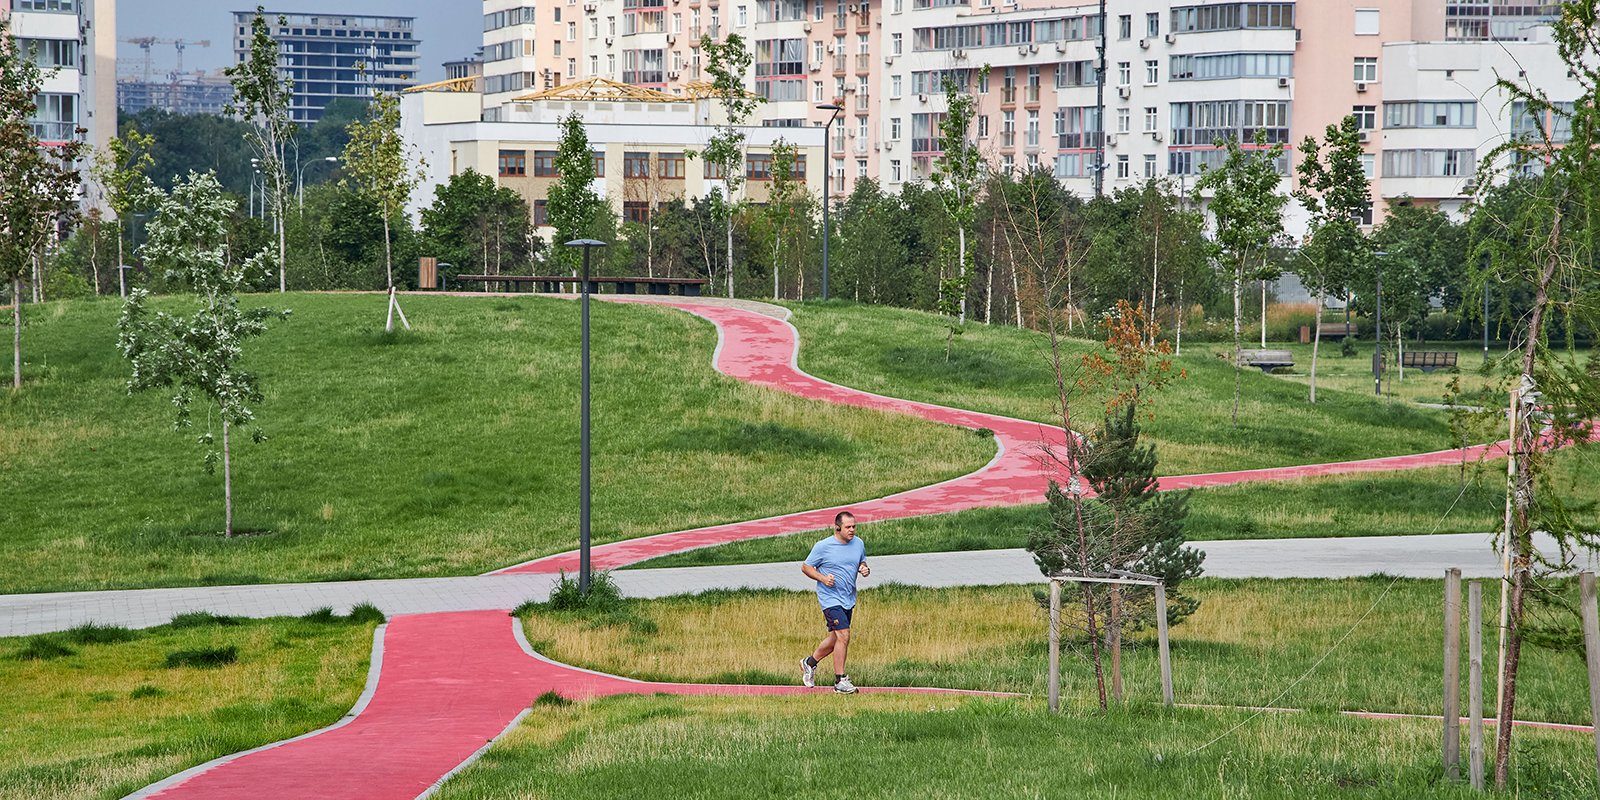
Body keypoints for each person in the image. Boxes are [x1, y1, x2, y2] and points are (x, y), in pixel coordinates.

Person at [800, 510, 870, 693]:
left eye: (854, 526)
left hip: (848, 597)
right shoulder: (823, 546)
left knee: (835, 639)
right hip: (830, 599)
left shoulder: (859, 543)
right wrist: (822, 578)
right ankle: (840, 681)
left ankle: (809, 663)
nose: (852, 530)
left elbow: (862, 562)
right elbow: (806, 567)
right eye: (848, 527)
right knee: (844, 635)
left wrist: (864, 569)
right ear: (837, 528)